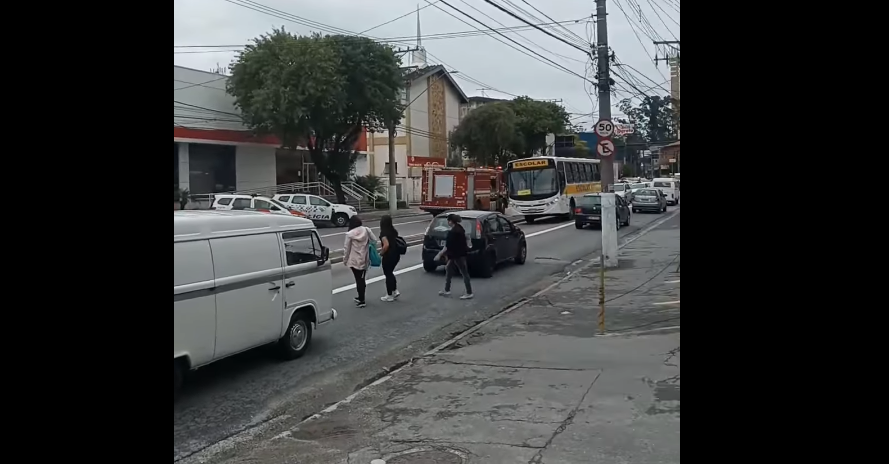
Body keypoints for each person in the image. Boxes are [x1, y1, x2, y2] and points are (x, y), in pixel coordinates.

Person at [343, 215, 377, 308]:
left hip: (354, 260)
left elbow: (347, 248)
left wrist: (345, 260)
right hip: (364, 258)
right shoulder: (366, 230)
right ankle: (361, 297)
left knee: (358, 280)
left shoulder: (350, 234)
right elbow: (374, 240)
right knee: (361, 279)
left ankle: (361, 300)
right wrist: (366, 245)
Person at [438, 214, 473, 299]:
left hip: (457, 255)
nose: (448, 222)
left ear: (450, 221)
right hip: (460, 254)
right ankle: (447, 290)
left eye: (448, 220)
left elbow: (449, 246)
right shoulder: (460, 229)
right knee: (449, 269)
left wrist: (441, 254)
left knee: (464, 273)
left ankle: (469, 292)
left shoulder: (453, 232)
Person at [378, 215, 401, 302]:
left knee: (388, 274)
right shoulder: (394, 231)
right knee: (390, 273)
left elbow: (386, 245)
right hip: (396, 255)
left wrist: (381, 253)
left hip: (388, 256)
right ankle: (395, 290)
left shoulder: (383, 233)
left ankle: (389, 295)